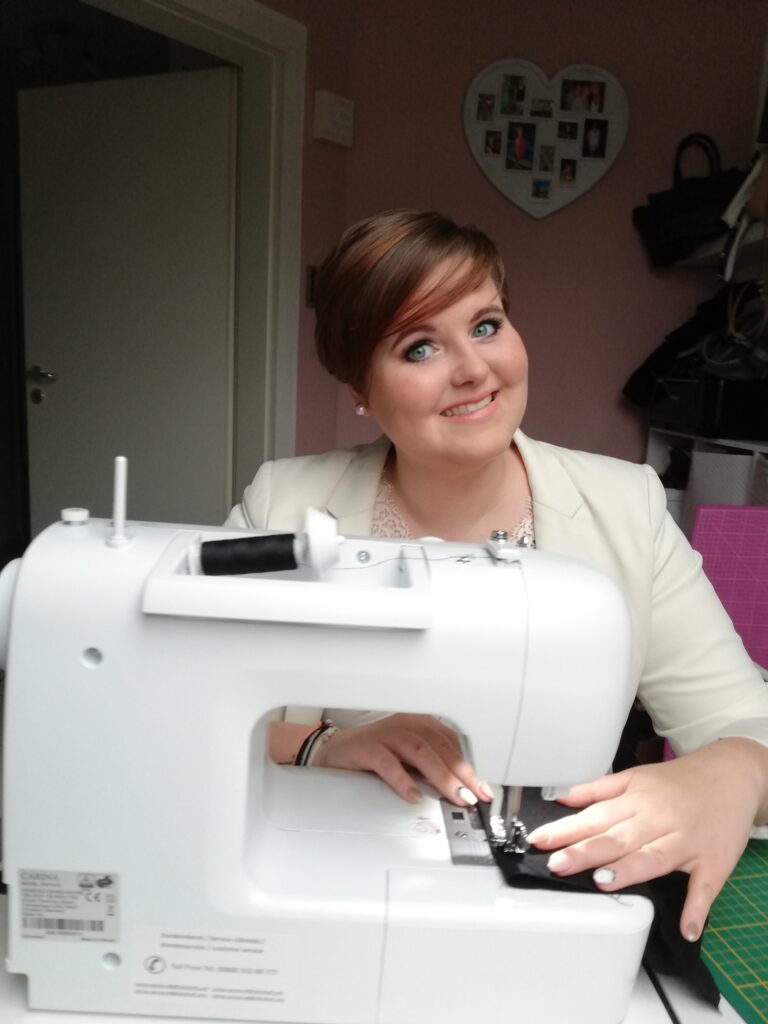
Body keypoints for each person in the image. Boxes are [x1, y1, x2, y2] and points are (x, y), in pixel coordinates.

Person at [226, 209, 768, 942]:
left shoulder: (625, 510)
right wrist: (318, 744)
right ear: (359, 386)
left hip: (547, 897)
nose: (473, 369)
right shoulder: (284, 506)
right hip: (327, 891)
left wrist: (732, 773)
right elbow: (181, 709)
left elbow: (748, 722)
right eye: (420, 347)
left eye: (486, 326)